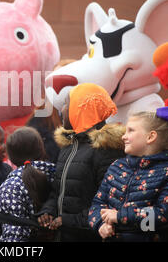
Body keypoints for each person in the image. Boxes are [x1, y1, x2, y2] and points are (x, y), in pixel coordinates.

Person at [37, 83, 126, 242]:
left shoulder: (106, 150)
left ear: (81, 108)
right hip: (63, 235)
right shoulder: (68, 147)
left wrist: (69, 221)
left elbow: (110, 201)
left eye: (66, 103)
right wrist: (48, 211)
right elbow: (57, 191)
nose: (62, 109)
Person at [88, 106, 168, 242]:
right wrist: (100, 224)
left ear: (150, 136)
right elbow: (98, 202)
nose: (123, 136)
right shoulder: (117, 166)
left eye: (131, 130)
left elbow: (163, 216)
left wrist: (120, 217)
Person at [0, 126, 56, 242]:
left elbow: (14, 236)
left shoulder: (10, 187)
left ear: (11, 157)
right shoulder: (60, 175)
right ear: (41, 148)